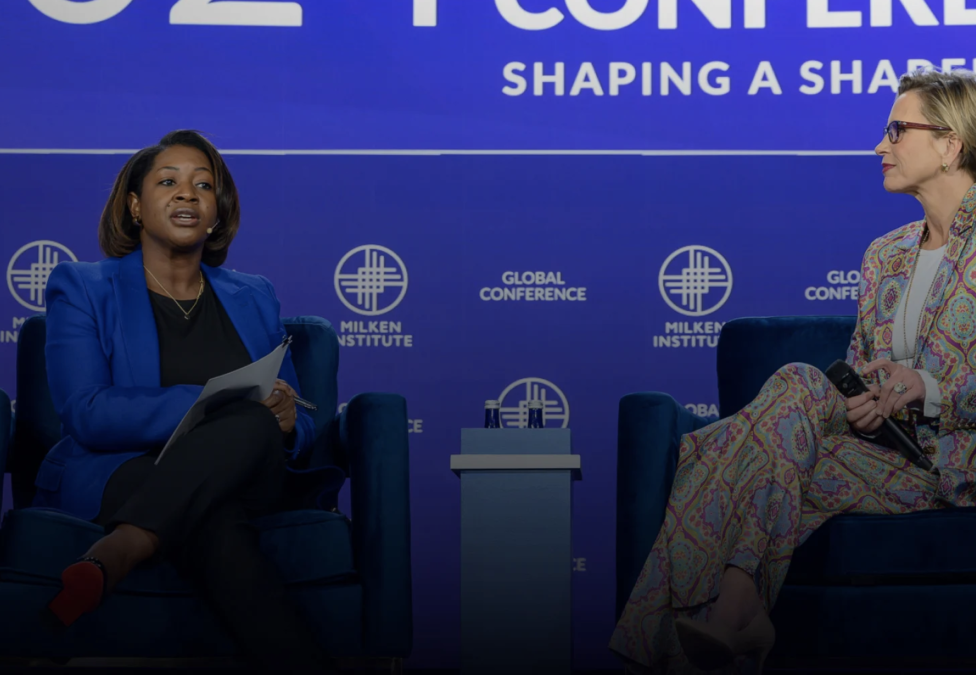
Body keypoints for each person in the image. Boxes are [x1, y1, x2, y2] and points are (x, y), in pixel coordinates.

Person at [610, 67, 976, 674]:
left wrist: (928, 390)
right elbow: (860, 369)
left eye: (895, 129)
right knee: (800, 383)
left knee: (722, 450)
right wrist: (866, 394)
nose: (878, 147)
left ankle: (690, 636)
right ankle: (736, 618)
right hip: (877, 446)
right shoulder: (884, 255)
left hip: (951, 460)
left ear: (949, 144)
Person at [35, 130, 340, 673]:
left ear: (218, 213)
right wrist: (207, 400)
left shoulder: (255, 295)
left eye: (204, 185)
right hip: (124, 470)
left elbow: (301, 414)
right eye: (168, 182)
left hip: (249, 468)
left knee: (252, 420)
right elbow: (85, 412)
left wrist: (290, 422)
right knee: (215, 519)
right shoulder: (83, 286)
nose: (187, 194)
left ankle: (123, 546)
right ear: (134, 206)